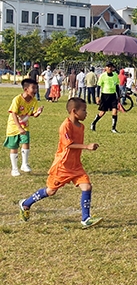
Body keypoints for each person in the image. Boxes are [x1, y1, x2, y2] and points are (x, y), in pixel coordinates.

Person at [17, 97, 102, 228]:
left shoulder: (81, 126)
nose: (86, 113)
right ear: (74, 111)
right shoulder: (65, 126)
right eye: (84, 110)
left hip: (76, 165)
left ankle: (86, 218)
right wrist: (87, 146)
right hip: (62, 166)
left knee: (87, 187)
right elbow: (68, 145)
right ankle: (26, 204)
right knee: (51, 191)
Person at [5, 78, 43, 177]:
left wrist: (38, 113)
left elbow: (33, 114)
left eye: (36, 88)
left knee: (26, 142)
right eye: (33, 88)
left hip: (25, 126)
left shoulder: (34, 101)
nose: (35, 91)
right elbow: (13, 113)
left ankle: (24, 164)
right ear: (26, 89)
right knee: (14, 146)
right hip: (14, 126)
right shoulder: (17, 99)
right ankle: (14, 168)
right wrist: (19, 127)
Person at [90, 63, 121, 134]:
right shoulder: (103, 76)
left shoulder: (115, 75)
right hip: (105, 95)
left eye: (111, 67)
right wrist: (97, 96)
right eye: (108, 67)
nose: (110, 68)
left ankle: (113, 128)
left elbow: (117, 86)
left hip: (113, 95)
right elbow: (98, 86)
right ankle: (93, 123)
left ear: (113, 68)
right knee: (102, 112)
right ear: (106, 68)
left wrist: (118, 96)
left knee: (115, 111)